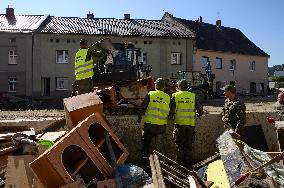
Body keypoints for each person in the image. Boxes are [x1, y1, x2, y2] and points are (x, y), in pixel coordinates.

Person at [170, 79, 203, 167]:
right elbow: (200, 111)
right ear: (187, 87)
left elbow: (171, 112)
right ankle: (188, 165)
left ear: (179, 86)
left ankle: (179, 165)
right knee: (188, 145)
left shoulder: (175, 95)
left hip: (179, 124)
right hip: (190, 125)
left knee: (179, 145)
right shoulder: (193, 96)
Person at [137, 78, 171, 167]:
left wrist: (139, 117)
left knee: (145, 145)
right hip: (161, 126)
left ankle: (145, 165)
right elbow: (171, 111)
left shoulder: (151, 94)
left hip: (150, 126)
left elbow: (143, 107)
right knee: (159, 147)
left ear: (156, 85)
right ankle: (159, 165)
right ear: (163, 87)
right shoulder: (167, 97)